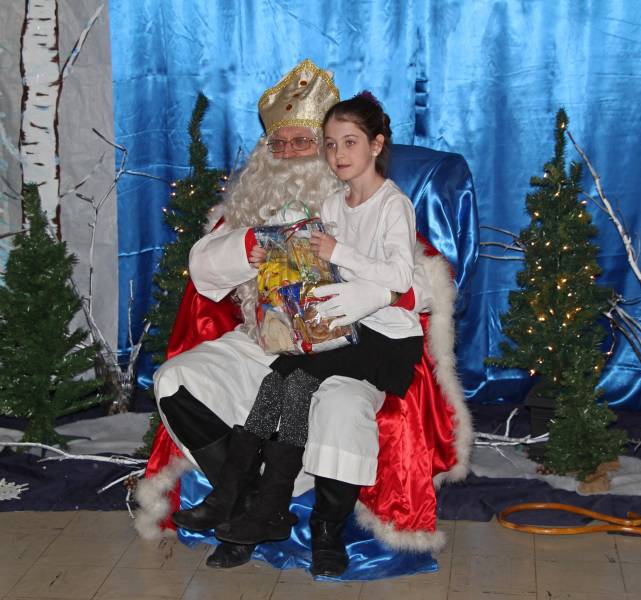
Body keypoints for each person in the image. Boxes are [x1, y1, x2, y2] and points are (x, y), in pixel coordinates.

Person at [135, 59, 473, 579]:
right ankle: (249, 501)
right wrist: (252, 244)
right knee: (176, 380)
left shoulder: (370, 203)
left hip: (349, 341)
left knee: (333, 405)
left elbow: (421, 283)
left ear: (364, 146)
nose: (291, 153)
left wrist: (369, 294)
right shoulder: (254, 207)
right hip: (261, 339)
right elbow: (203, 271)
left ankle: (292, 521)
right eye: (280, 143)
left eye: (306, 142)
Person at [171, 92, 425, 554]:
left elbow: (403, 277)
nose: (335, 154)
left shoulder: (394, 205)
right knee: (280, 384)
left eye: (307, 142)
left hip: (385, 343)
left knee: (293, 381)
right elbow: (310, 268)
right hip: (336, 334)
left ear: (376, 145)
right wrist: (271, 254)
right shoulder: (333, 204)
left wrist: (342, 257)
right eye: (330, 144)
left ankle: (262, 505)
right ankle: (244, 499)